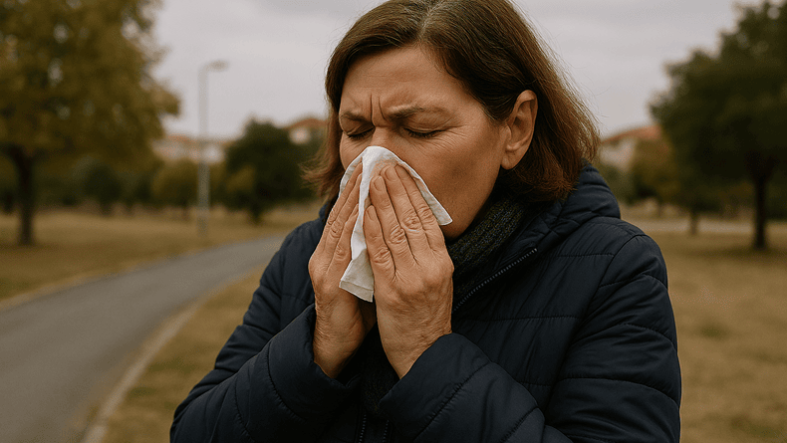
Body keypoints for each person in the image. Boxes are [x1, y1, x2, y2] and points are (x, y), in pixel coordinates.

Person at [170, 0, 681, 442]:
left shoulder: (613, 271)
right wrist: (318, 349)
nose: (376, 161)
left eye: (420, 129)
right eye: (356, 129)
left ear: (516, 129)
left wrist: (427, 354)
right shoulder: (308, 257)